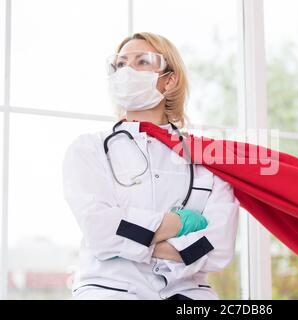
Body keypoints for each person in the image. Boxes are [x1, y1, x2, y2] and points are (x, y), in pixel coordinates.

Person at [62, 32, 240, 300]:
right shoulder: (89, 149)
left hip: (189, 293)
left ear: (169, 80)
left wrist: (131, 238)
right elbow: (99, 230)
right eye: (121, 64)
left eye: (142, 61)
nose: (127, 71)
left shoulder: (207, 159)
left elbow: (219, 247)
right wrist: (179, 225)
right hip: (109, 289)